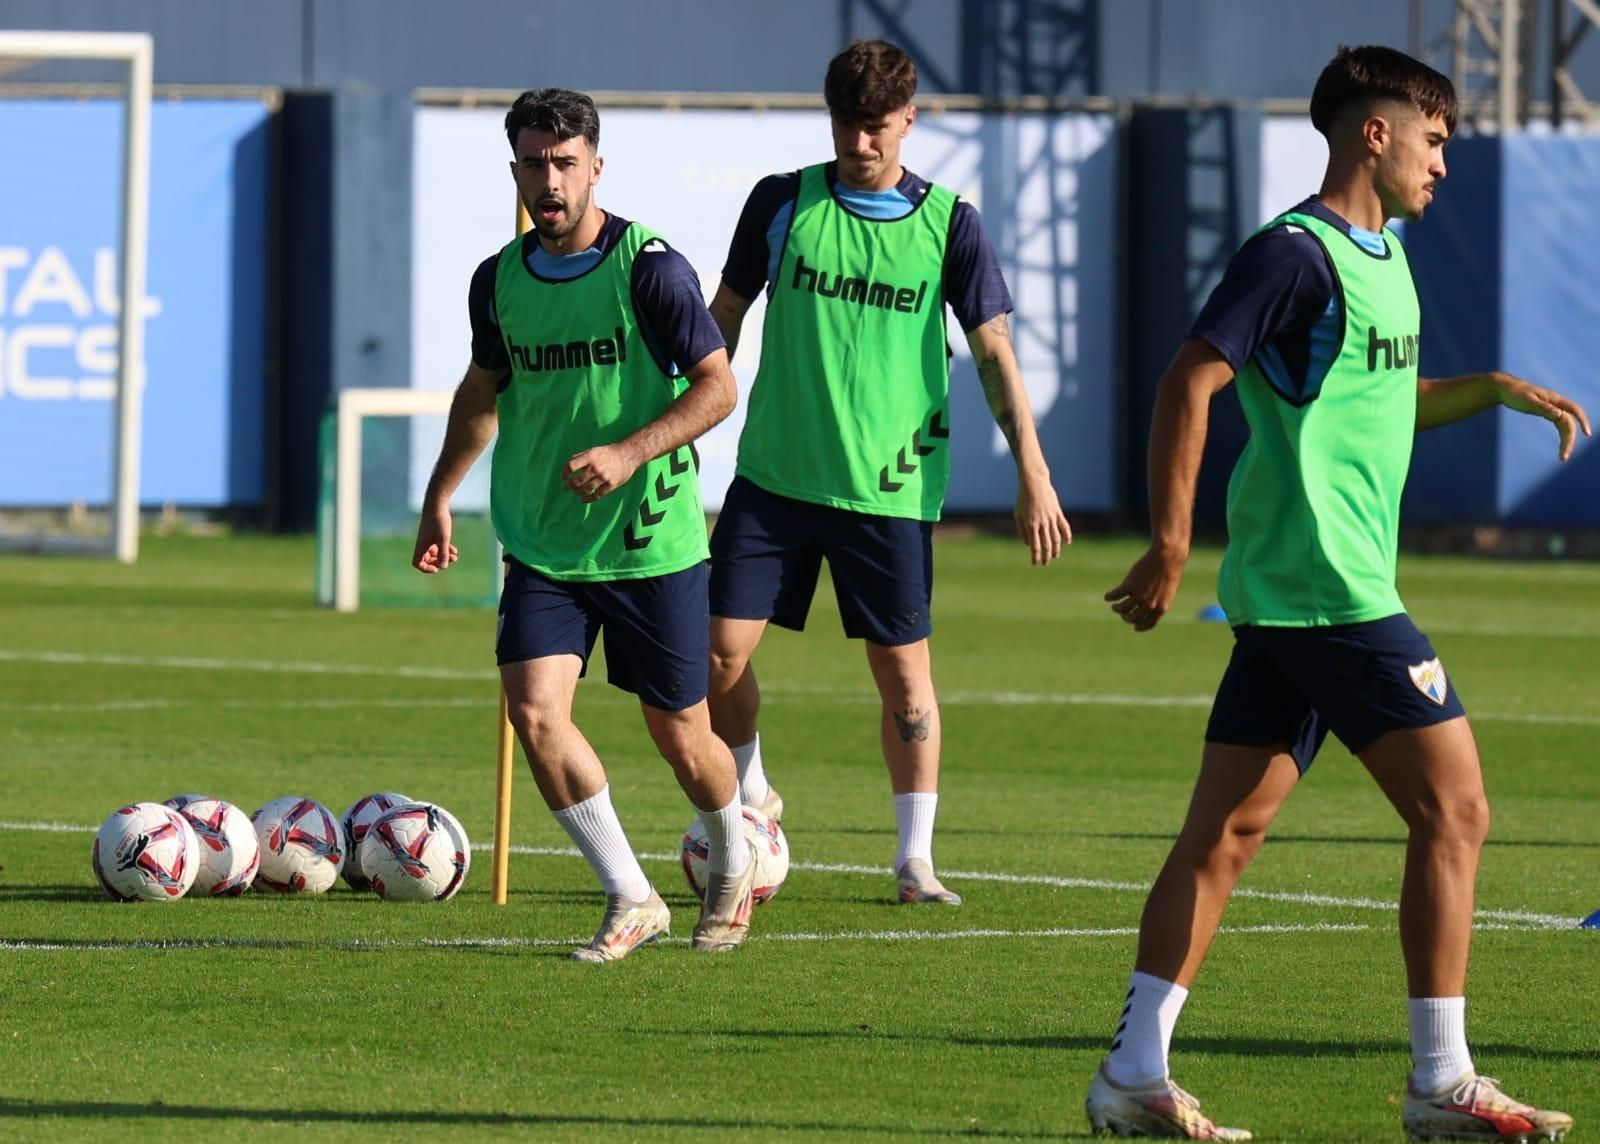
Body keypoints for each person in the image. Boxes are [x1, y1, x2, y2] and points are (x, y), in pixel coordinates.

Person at [1088, 46, 1587, 1141]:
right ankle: (1440, 1079)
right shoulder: (1293, 253)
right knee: (1454, 806)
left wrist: (1492, 391)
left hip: (1297, 596)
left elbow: (1377, 396)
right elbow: (1190, 375)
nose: (1443, 162)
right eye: (1435, 138)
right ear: (1376, 131)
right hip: (1331, 591)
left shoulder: (1381, 255)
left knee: (1225, 833)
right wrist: (1169, 542)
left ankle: (1132, 1070)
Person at [704, 39, 1073, 905]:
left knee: (905, 681)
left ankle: (915, 861)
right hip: (775, 480)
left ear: (909, 120)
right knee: (715, 657)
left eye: (875, 127)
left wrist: (1035, 473)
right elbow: (721, 321)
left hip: (891, 493)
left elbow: (994, 353)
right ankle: (754, 795)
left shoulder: (951, 223)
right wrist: (679, 428)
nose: (858, 143)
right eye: (844, 125)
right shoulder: (781, 203)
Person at [412, 88, 757, 962]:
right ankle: (631, 895)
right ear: (516, 171)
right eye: (535, 164)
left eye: (566, 163)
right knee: (535, 712)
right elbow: (480, 396)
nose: (550, 180)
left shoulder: (650, 268)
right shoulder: (497, 280)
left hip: (650, 543)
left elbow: (718, 390)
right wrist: (441, 492)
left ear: (596, 167)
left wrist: (631, 451)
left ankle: (734, 850)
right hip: (543, 543)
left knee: (681, 734)